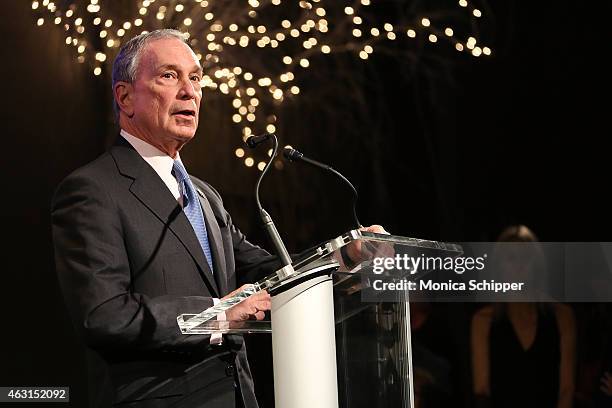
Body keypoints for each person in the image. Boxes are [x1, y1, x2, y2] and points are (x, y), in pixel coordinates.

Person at [52, 29, 384, 408]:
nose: (189, 91)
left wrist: (343, 258)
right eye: (169, 75)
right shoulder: (93, 190)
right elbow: (105, 315)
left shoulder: (205, 195)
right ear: (125, 97)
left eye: (195, 78)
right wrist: (218, 315)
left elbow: (267, 273)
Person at [471, 225, 576, 408]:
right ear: (499, 267)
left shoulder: (562, 317)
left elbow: (566, 390)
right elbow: (482, 391)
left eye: (525, 258)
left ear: (536, 264)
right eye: (511, 258)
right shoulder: (484, 321)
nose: (519, 266)